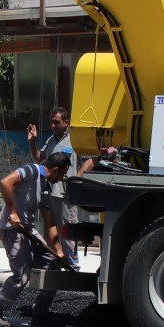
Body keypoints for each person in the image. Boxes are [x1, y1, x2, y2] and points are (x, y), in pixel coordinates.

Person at [0, 151, 73, 327]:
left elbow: (50, 222)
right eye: (62, 173)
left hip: (27, 229)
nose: (62, 178)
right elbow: (5, 182)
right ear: (55, 169)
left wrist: (59, 251)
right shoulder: (31, 171)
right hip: (13, 230)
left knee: (51, 265)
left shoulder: (46, 187)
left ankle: (40, 314)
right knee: (21, 275)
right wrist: (13, 213)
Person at [27, 107, 94, 269]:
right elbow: (39, 160)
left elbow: (90, 159)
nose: (53, 125)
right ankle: (53, 264)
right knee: (51, 232)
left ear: (66, 123)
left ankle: (72, 266)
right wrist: (32, 142)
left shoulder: (75, 140)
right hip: (50, 193)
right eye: (51, 122)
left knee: (67, 231)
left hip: (66, 194)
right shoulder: (51, 141)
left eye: (56, 122)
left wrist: (78, 177)